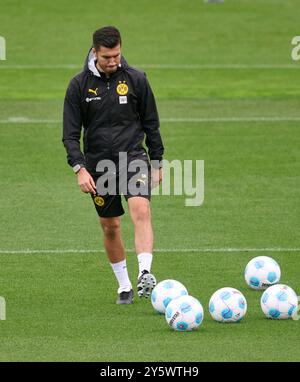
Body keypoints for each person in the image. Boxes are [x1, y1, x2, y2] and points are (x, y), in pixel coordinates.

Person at [62, 26, 164, 305]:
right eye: (107, 56)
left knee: (140, 209)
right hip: (98, 165)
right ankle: (124, 286)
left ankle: (145, 273)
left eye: (116, 55)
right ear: (95, 52)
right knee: (110, 226)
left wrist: (156, 162)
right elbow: (70, 135)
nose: (113, 61)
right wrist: (79, 168)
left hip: (133, 156)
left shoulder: (136, 79)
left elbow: (151, 123)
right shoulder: (79, 85)